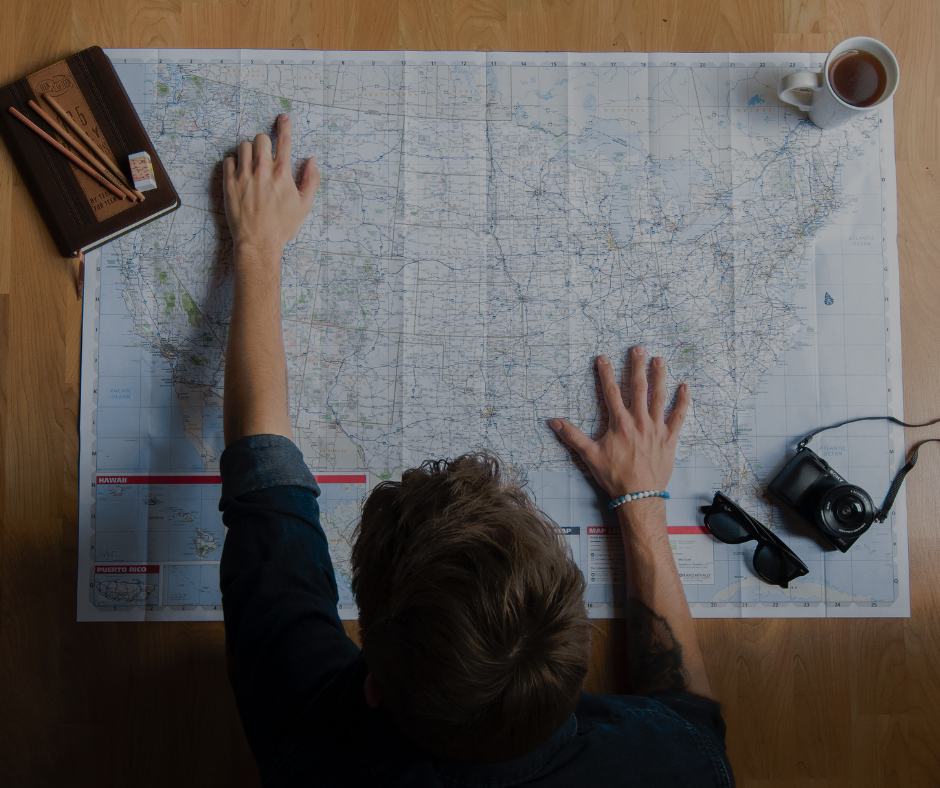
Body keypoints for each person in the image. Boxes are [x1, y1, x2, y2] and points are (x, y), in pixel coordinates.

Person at [219, 114, 735, 787]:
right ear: (577, 666)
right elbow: (685, 712)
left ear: (372, 686)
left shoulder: (310, 736)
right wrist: (640, 503)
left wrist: (257, 247)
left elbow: (265, 485)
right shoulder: (675, 767)